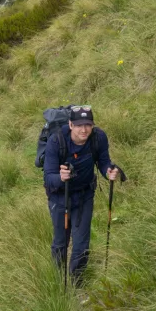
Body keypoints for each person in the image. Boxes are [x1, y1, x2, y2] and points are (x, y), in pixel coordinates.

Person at [42, 105, 120, 286]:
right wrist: (61, 178)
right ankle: (58, 278)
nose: (84, 129)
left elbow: (103, 161)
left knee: (81, 245)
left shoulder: (98, 137)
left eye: (88, 124)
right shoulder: (56, 142)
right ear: (70, 125)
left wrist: (108, 171)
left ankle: (77, 282)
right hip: (60, 198)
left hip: (85, 195)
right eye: (79, 125)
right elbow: (48, 178)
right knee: (61, 243)